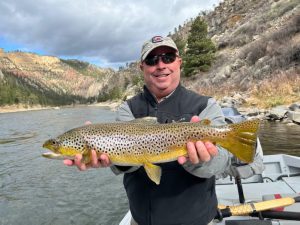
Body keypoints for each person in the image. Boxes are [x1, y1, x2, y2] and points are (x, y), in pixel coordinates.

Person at [64, 35, 232, 225]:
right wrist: (106, 152)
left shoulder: (205, 105)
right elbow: (129, 163)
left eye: (168, 57)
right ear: (142, 67)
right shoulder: (128, 109)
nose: (161, 65)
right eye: (152, 60)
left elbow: (222, 163)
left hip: (197, 219)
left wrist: (202, 161)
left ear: (179, 62)